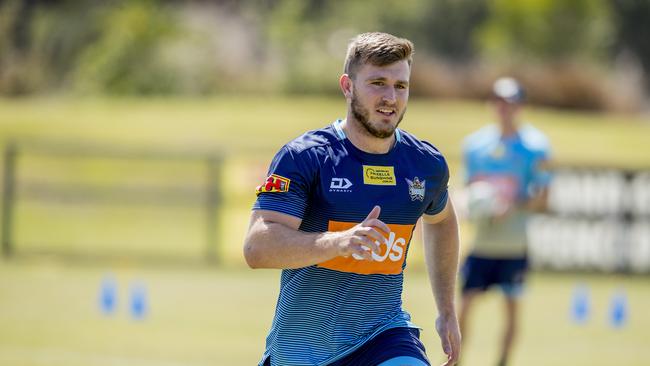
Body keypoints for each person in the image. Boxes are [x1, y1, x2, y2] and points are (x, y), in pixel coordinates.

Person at [244, 32, 461, 366]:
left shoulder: (425, 164)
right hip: (302, 352)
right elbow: (257, 248)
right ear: (347, 86)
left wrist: (446, 308)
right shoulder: (305, 157)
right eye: (377, 83)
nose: (391, 97)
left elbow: (442, 219)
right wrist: (337, 242)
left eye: (400, 86)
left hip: (383, 336)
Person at [459, 77, 552, 366]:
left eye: (510, 102)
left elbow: (543, 199)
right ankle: (455, 360)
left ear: (520, 106)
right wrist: (470, 206)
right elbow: (468, 191)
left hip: (514, 245)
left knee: (511, 308)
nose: (504, 108)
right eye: (499, 101)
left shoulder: (536, 147)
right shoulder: (475, 146)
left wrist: (511, 206)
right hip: (482, 243)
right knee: (462, 307)